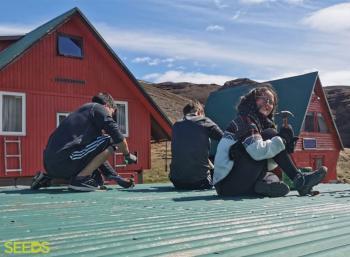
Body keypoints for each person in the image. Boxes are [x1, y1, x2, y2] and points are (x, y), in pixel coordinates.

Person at [213, 84, 327, 197]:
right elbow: (257, 153)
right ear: (252, 100)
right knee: (270, 134)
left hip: (235, 184)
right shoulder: (244, 120)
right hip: (227, 184)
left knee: (273, 178)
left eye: (271, 102)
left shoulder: (258, 124)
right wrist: (281, 140)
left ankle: (259, 188)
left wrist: (284, 146)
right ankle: (300, 181)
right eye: (264, 99)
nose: (268, 104)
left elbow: (268, 165)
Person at [31, 92, 137, 191]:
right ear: (107, 106)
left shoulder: (82, 116)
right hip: (66, 160)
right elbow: (118, 137)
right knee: (111, 140)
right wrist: (127, 155)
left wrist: (117, 178)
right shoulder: (98, 108)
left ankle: (46, 178)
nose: (111, 117)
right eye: (112, 113)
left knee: (97, 179)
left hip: (51, 166)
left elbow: (96, 154)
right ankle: (80, 180)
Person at [169, 100, 224, 190]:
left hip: (176, 182)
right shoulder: (203, 121)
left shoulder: (176, 125)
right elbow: (224, 139)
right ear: (199, 112)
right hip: (201, 182)